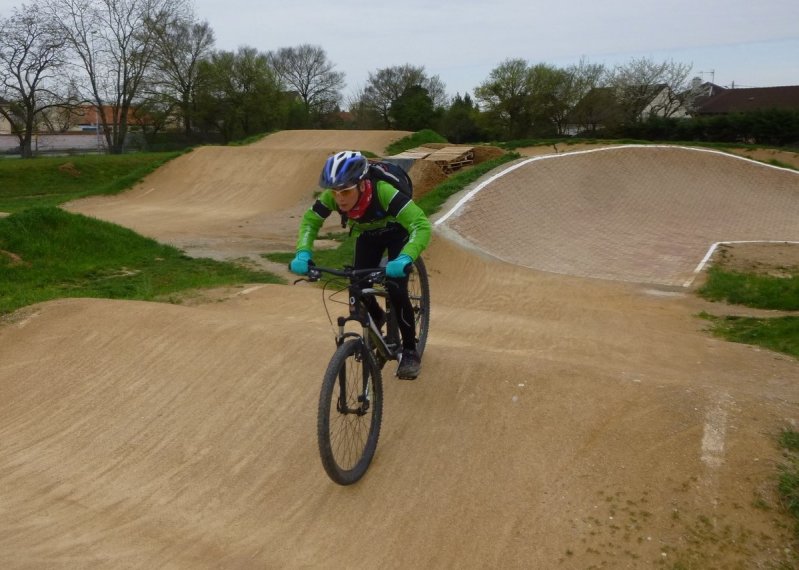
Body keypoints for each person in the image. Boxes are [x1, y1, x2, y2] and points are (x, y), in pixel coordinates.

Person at [290, 150, 431, 379]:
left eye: (346, 191)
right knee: (356, 281)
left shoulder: (383, 192)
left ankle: (409, 350)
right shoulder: (333, 197)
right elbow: (310, 221)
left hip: (398, 232)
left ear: (362, 184)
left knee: (395, 286)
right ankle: (376, 317)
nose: (340, 198)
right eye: (335, 192)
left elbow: (421, 225)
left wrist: (405, 258)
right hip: (368, 235)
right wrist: (303, 253)